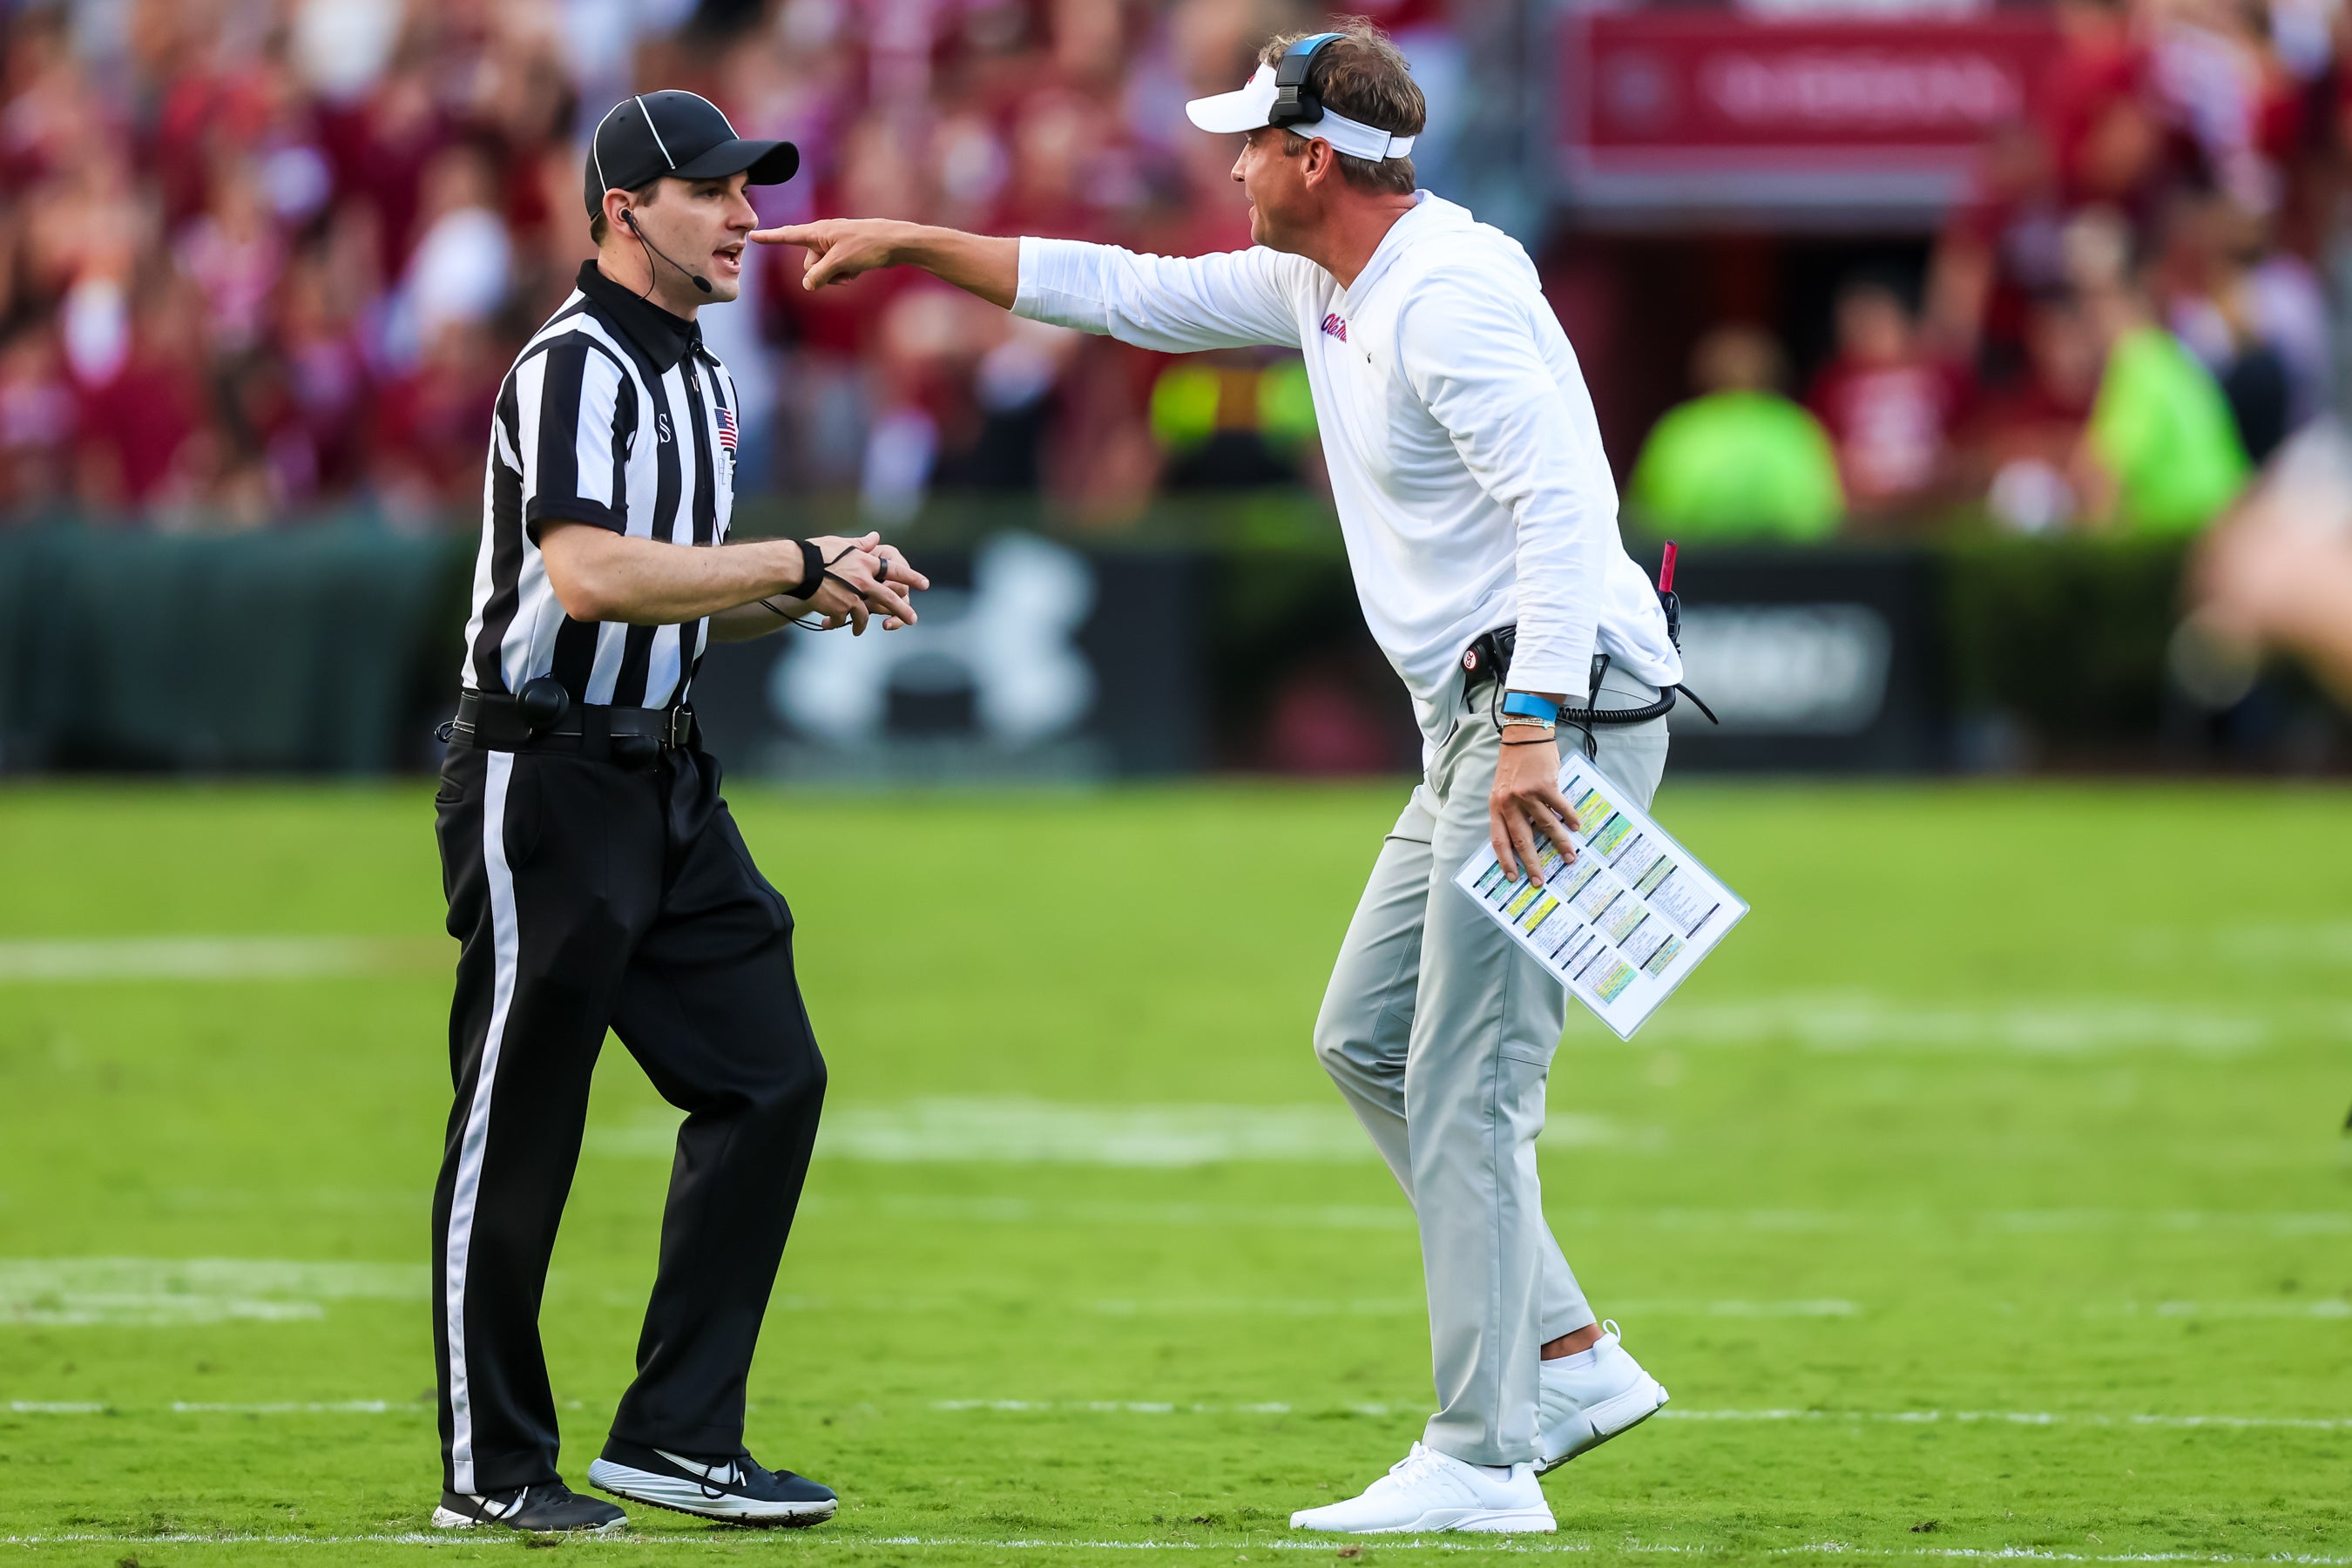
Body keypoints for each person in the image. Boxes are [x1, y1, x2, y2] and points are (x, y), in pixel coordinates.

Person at [756, 24, 1680, 1534]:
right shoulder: (1333, 276)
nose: (1233, 165)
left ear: (1317, 159)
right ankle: (1567, 1357)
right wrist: (917, 241)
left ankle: (1484, 1458)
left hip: (1546, 720)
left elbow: (1569, 510)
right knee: (1365, 1040)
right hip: (1491, 718)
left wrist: (1531, 728)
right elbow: (1126, 293)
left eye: (1254, 141)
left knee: (1469, 1082)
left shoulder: (1443, 294)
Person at [428, 90, 928, 1535]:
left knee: (771, 1077)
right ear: (622, 209)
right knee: (522, 1124)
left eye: (748, 190)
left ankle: (676, 1436)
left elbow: (677, 600)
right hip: (543, 779)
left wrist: (812, 590)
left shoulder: (700, 378)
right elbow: (590, 574)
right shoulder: (569, 366)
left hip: (665, 776)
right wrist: (795, 554)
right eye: (709, 191)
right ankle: (492, 1468)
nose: (743, 218)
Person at [1627, 325, 1844, 542]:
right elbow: (1820, 517)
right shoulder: (1797, 428)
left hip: (1696, 560)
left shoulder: (1679, 429)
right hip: (1785, 562)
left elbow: (1650, 519)